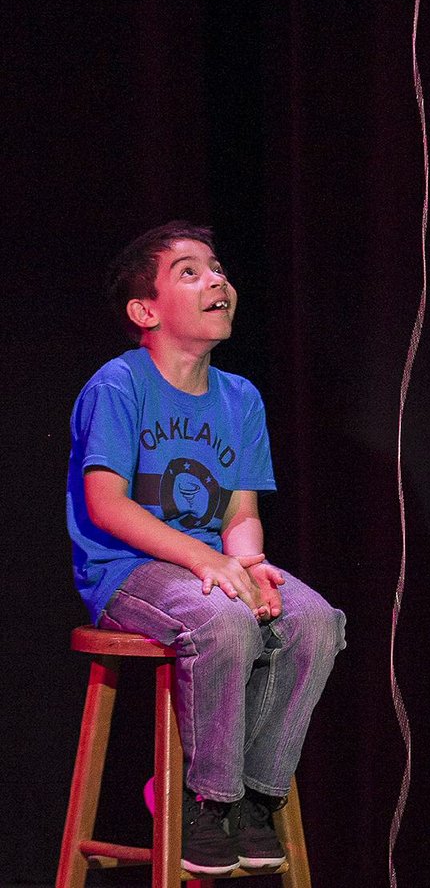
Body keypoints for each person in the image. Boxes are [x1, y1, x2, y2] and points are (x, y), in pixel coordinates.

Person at [67, 221, 345, 876]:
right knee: (223, 619)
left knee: (312, 618)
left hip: (208, 565)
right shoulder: (119, 384)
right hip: (129, 571)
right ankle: (205, 802)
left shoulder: (240, 397)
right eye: (189, 271)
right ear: (146, 310)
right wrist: (208, 563)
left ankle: (253, 795)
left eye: (217, 267)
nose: (216, 278)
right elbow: (107, 504)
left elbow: (240, 513)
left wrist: (247, 561)